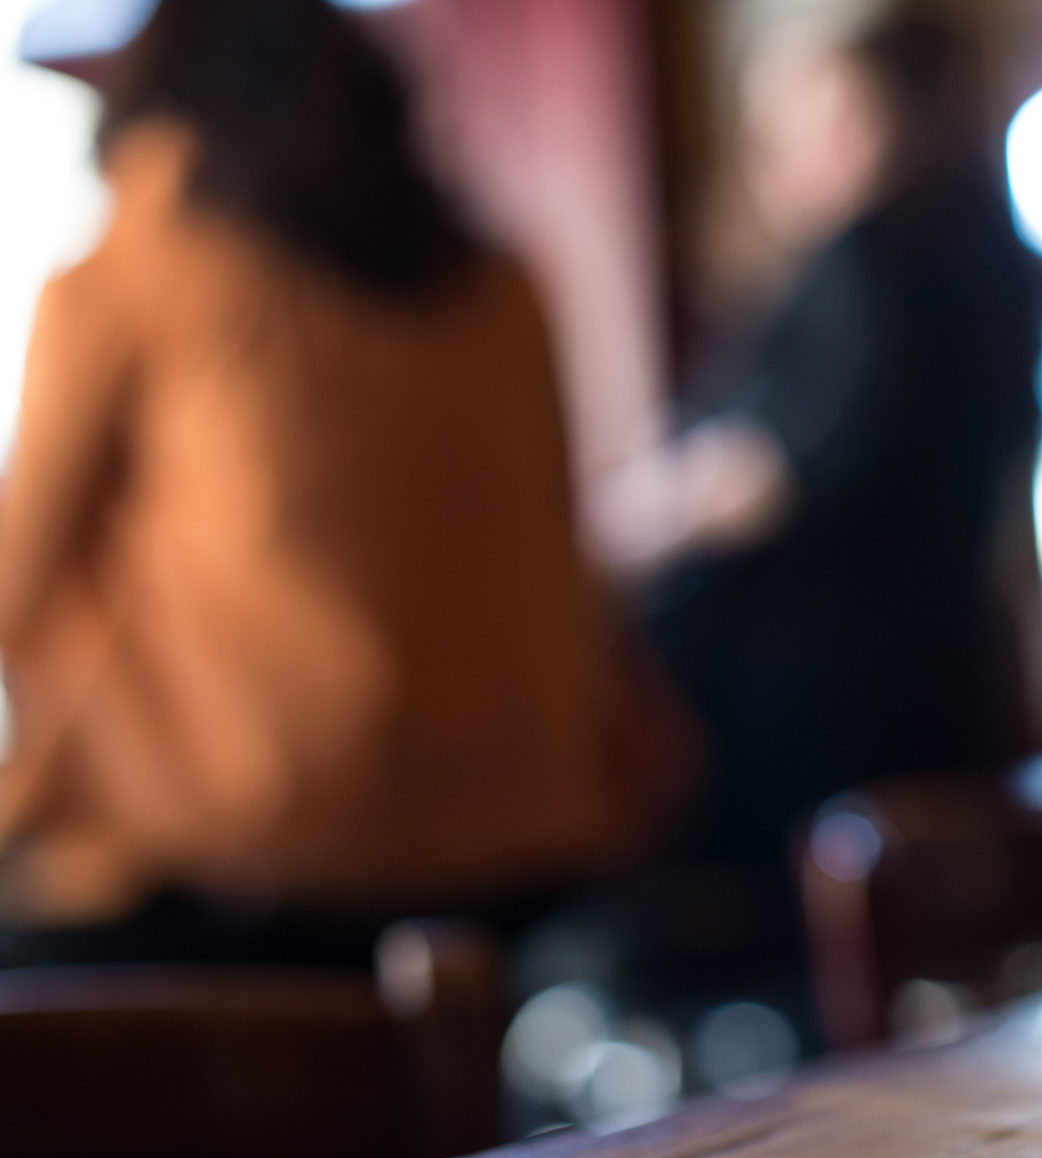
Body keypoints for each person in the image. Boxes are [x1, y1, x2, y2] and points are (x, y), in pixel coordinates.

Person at [0, 0, 692, 962]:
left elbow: (13, 584)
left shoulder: (136, 269)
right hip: (526, 820)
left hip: (257, 842)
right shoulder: (500, 283)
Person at [600, 6, 1042, 1005]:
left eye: (825, 119)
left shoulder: (864, 264)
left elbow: (779, 466)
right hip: (936, 681)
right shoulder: (995, 270)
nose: (792, 154)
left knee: (812, 988)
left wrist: (626, 520)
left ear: (895, 122)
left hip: (809, 707)